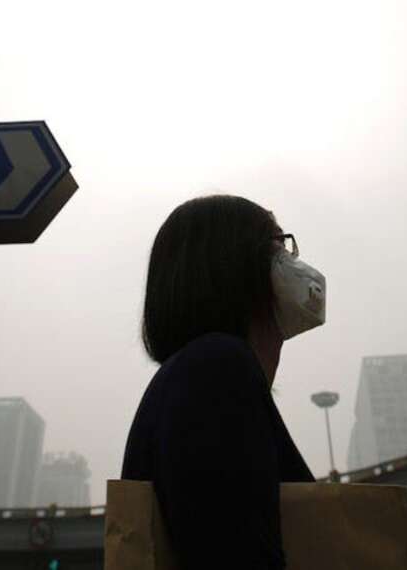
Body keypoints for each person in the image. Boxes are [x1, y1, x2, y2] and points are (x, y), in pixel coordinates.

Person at [121, 194, 327, 568]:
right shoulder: (215, 370)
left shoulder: (201, 375)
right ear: (235, 266)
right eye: (281, 247)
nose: (296, 264)